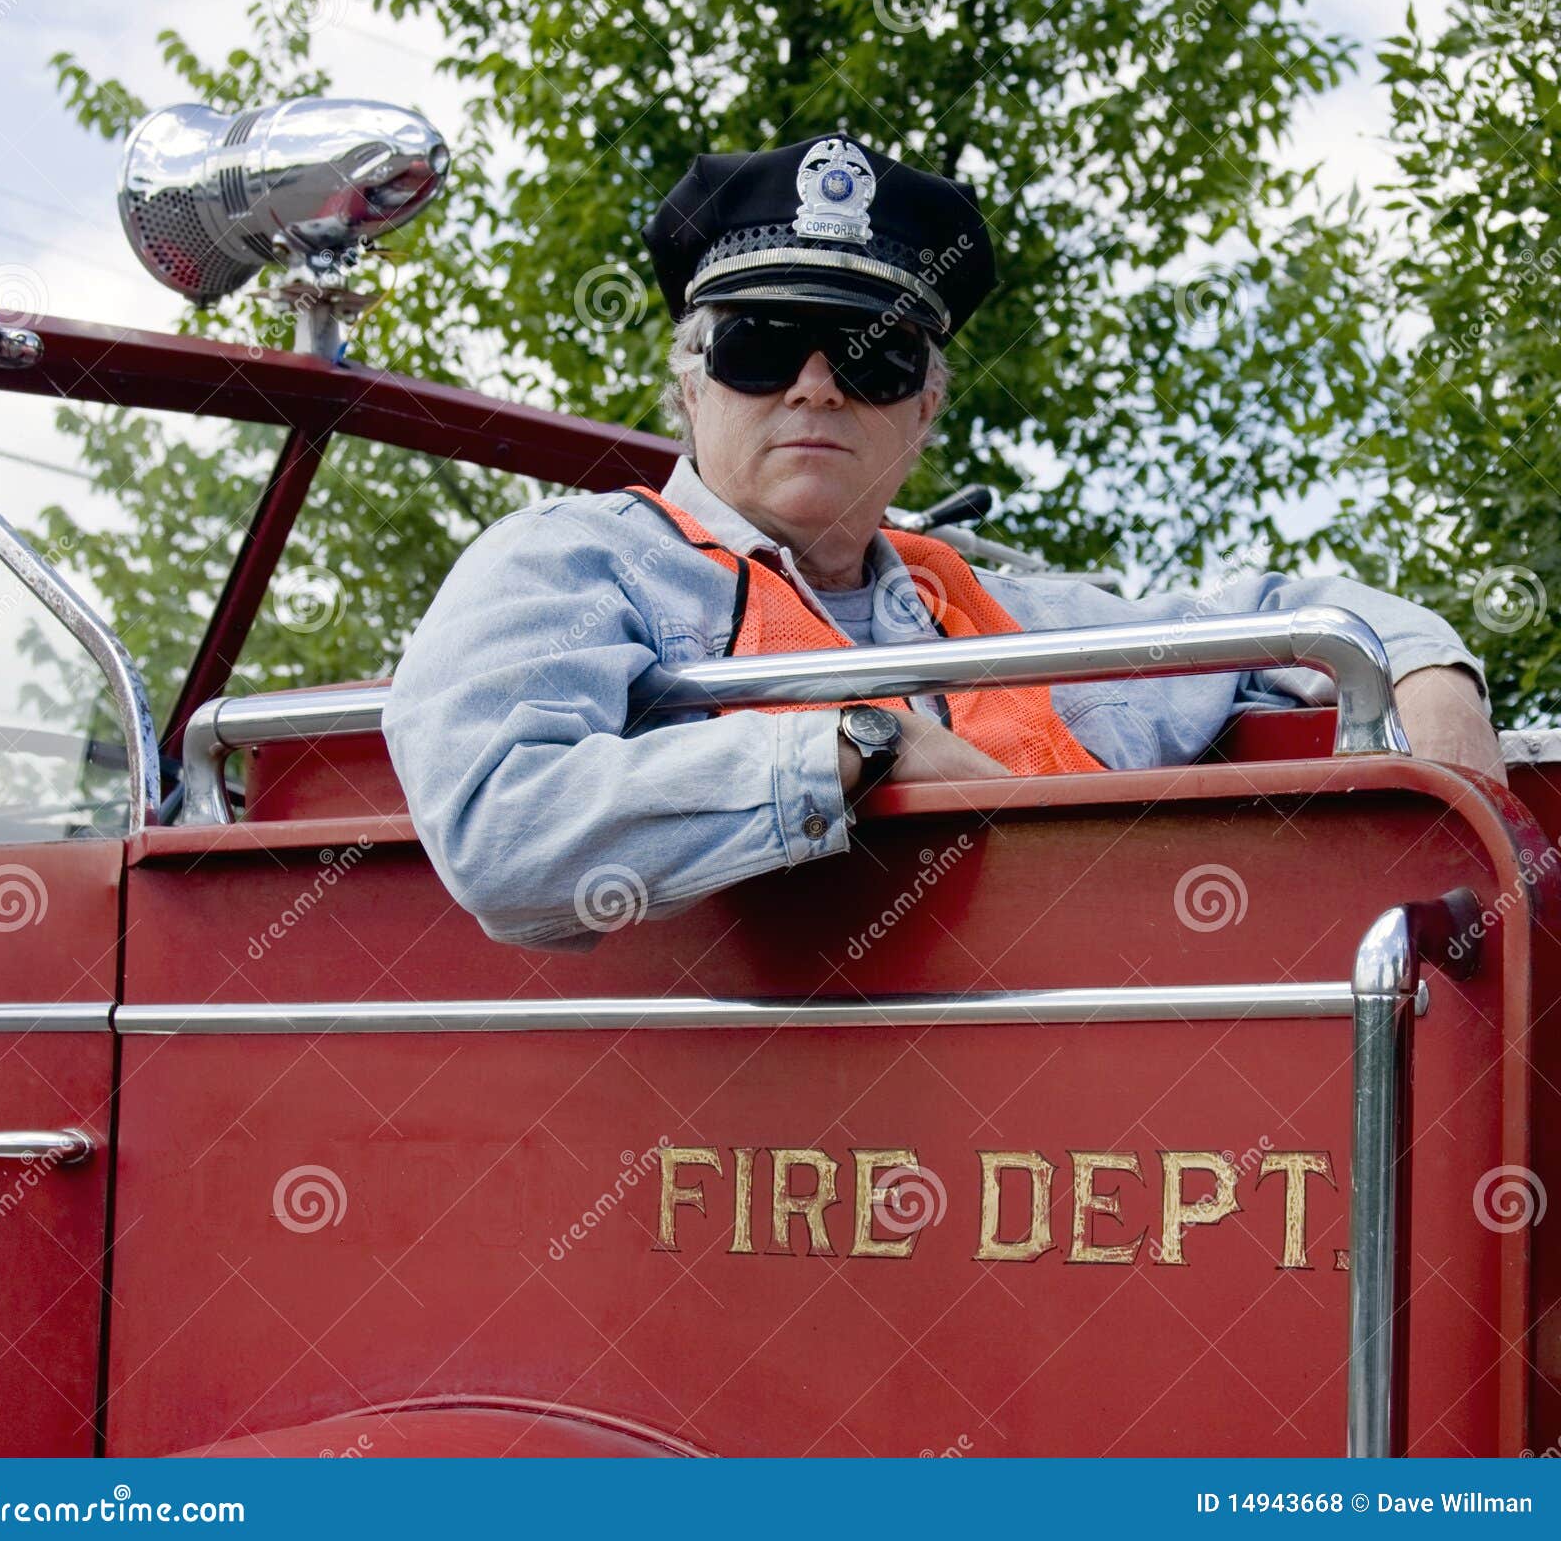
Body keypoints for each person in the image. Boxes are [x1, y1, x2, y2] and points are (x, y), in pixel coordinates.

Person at [383, 133, 1503, 952]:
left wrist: (1430, 672)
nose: (817, 383)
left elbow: (1276, 615)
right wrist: (866, 745)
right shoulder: (569, 564)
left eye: (869, 359)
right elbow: (501, 834)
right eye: (760, 345)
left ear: (922, 411)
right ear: (689, 381)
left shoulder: (1011, 614)